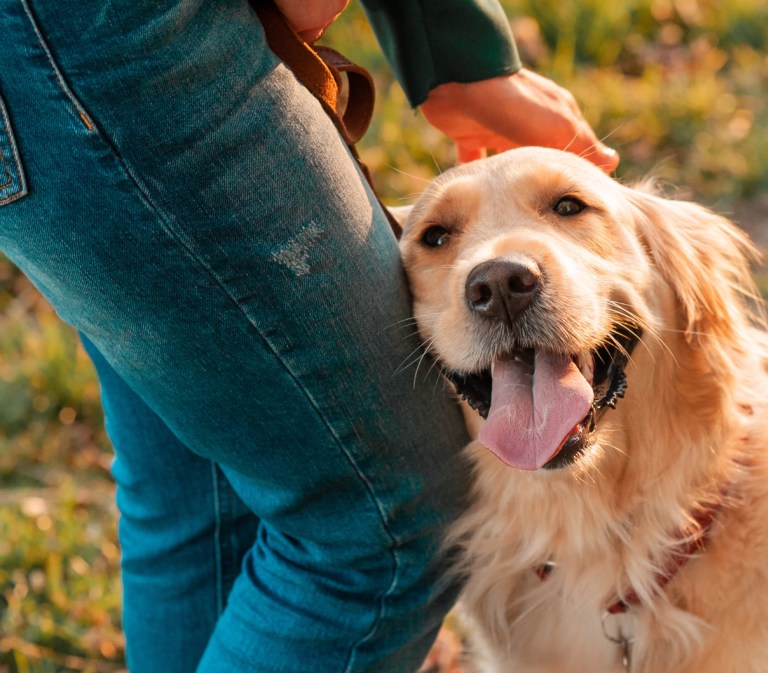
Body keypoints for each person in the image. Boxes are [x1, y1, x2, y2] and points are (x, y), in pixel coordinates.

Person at [0, 0, 617, 671]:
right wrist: (456, 46)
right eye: (438, 236)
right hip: (96, 42)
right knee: (381, 520)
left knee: (207, 482)